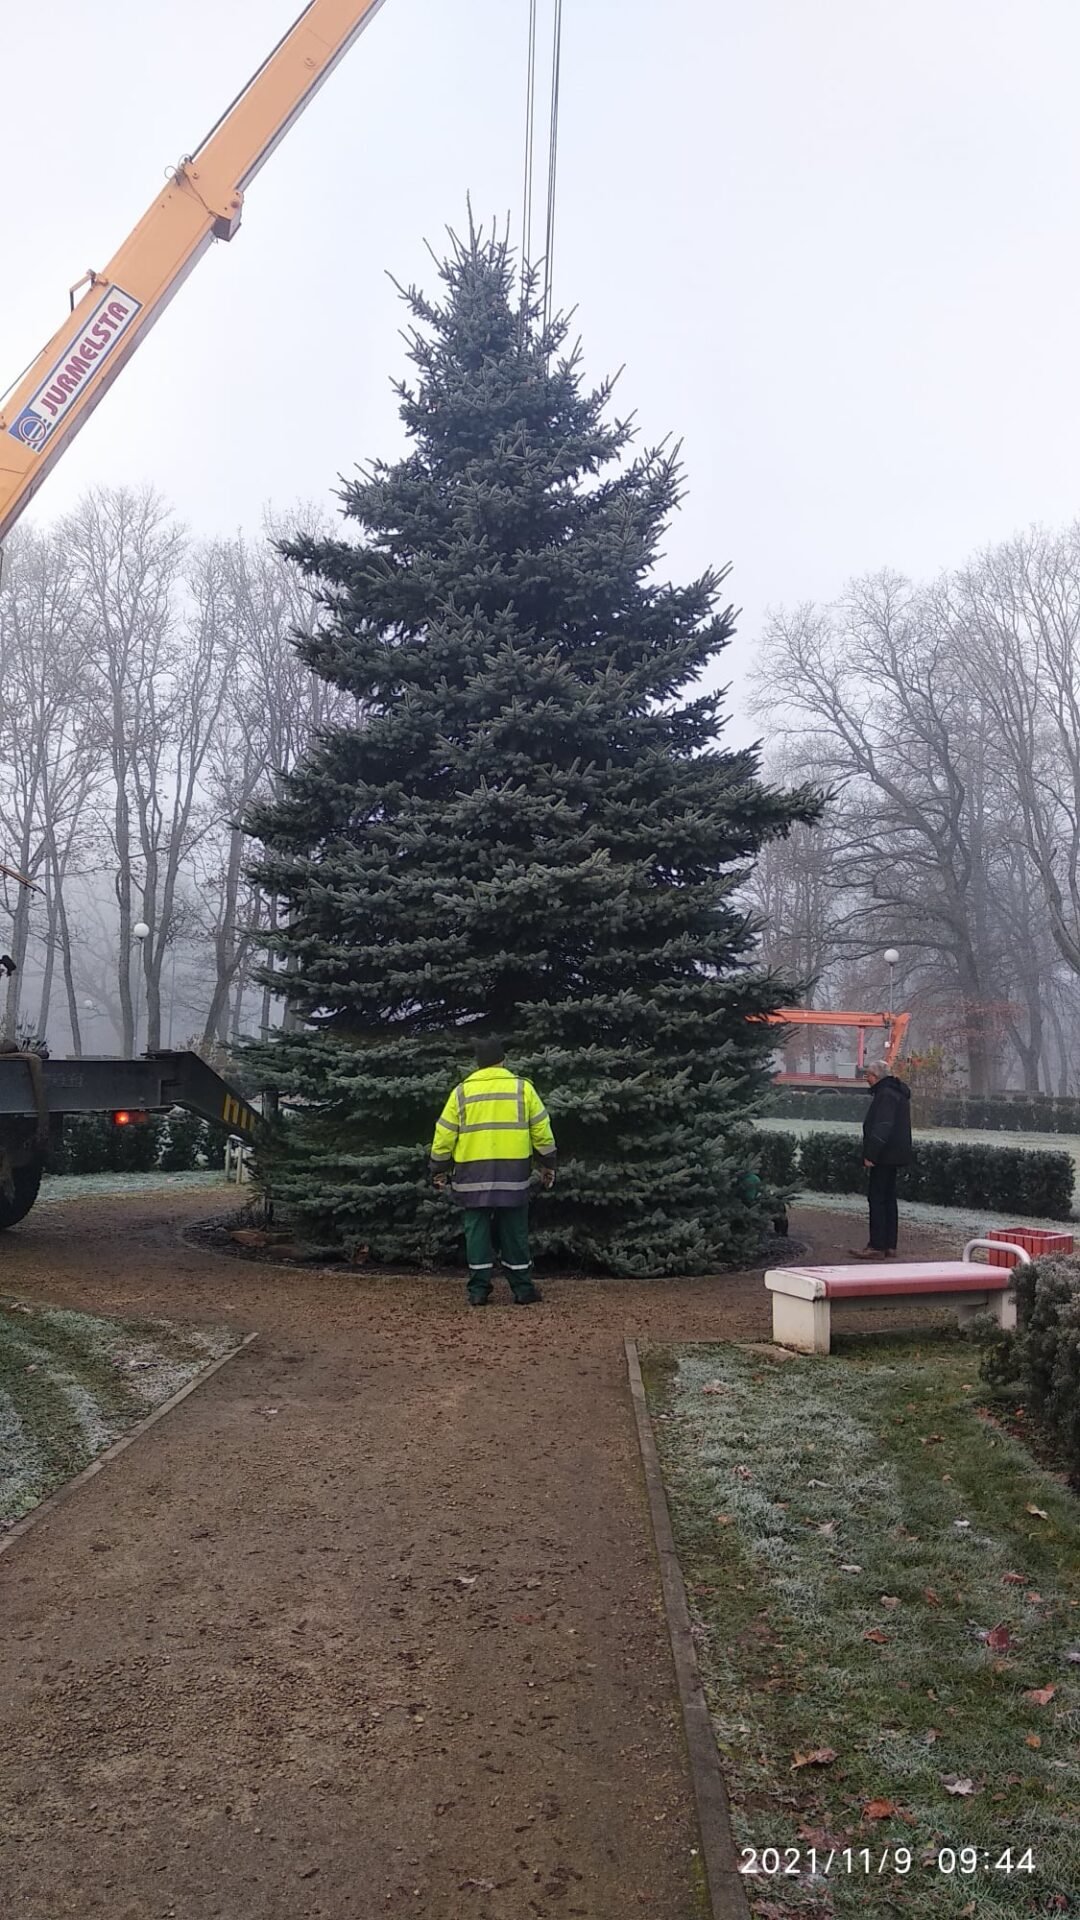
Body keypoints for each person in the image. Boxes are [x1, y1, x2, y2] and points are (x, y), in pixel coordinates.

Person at [430, 1036, 557, 1306]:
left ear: (477, 1063)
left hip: (471, 1176)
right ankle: (522, 1289)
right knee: (514, 1231)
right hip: (513, 1174)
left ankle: (478, 1291)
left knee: (476, 1231)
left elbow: (443, 1137)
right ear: (503, 1060)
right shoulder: (522, 1089)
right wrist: (548, 1165)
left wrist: (439, 1170)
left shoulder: (461, 1093)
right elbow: (542, 1132)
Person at [851, 1061, 913, 1260]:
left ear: (876, 1076)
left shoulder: (885, 1095)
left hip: (884, 1155)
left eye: (868, 1075)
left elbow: (882, 1126)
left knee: (877, 1198)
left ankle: (877, 1245)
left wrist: (871, 1154)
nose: (867, 1079)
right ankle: (889, 1245)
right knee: (889, 1198)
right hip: (895, 1154)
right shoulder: (897, 1092)